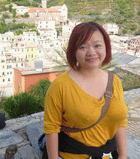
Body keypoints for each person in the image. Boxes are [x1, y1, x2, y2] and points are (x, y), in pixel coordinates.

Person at [44, 22, 128, 159]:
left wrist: (123, 155)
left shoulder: (114, 81)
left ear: (106, 47)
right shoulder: (60, 86)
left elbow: (121, 121)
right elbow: (51, 128)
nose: (91, 52)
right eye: (83, 47)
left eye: (97, 45)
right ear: (73, 51)